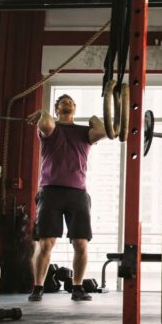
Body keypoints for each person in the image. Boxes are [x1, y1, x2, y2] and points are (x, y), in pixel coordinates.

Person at [26, 94, 105, 302]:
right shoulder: (50, 129)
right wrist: (43, 112)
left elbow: (103, 131)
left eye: (70, 101)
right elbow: (46, 122)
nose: (67, 103)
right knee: (46, 243)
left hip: (77, 192)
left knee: (81, 243)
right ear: (56, 108)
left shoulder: (83, 132)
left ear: (75, 108)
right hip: (50, 190)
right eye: (63, 101)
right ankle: (37, 287)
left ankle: (77, 287)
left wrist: (95, 118)